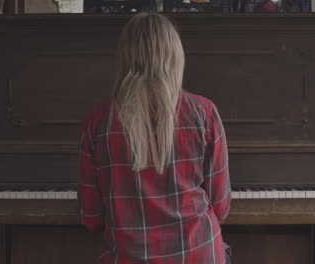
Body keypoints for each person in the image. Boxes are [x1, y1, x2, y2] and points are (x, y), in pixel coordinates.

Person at [78, 12, 231, 264]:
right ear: (175, 57)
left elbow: (91, 218)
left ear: (125, 59)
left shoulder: (98, 120)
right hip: (198, 255)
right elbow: (221, 207)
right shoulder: (204, 113)